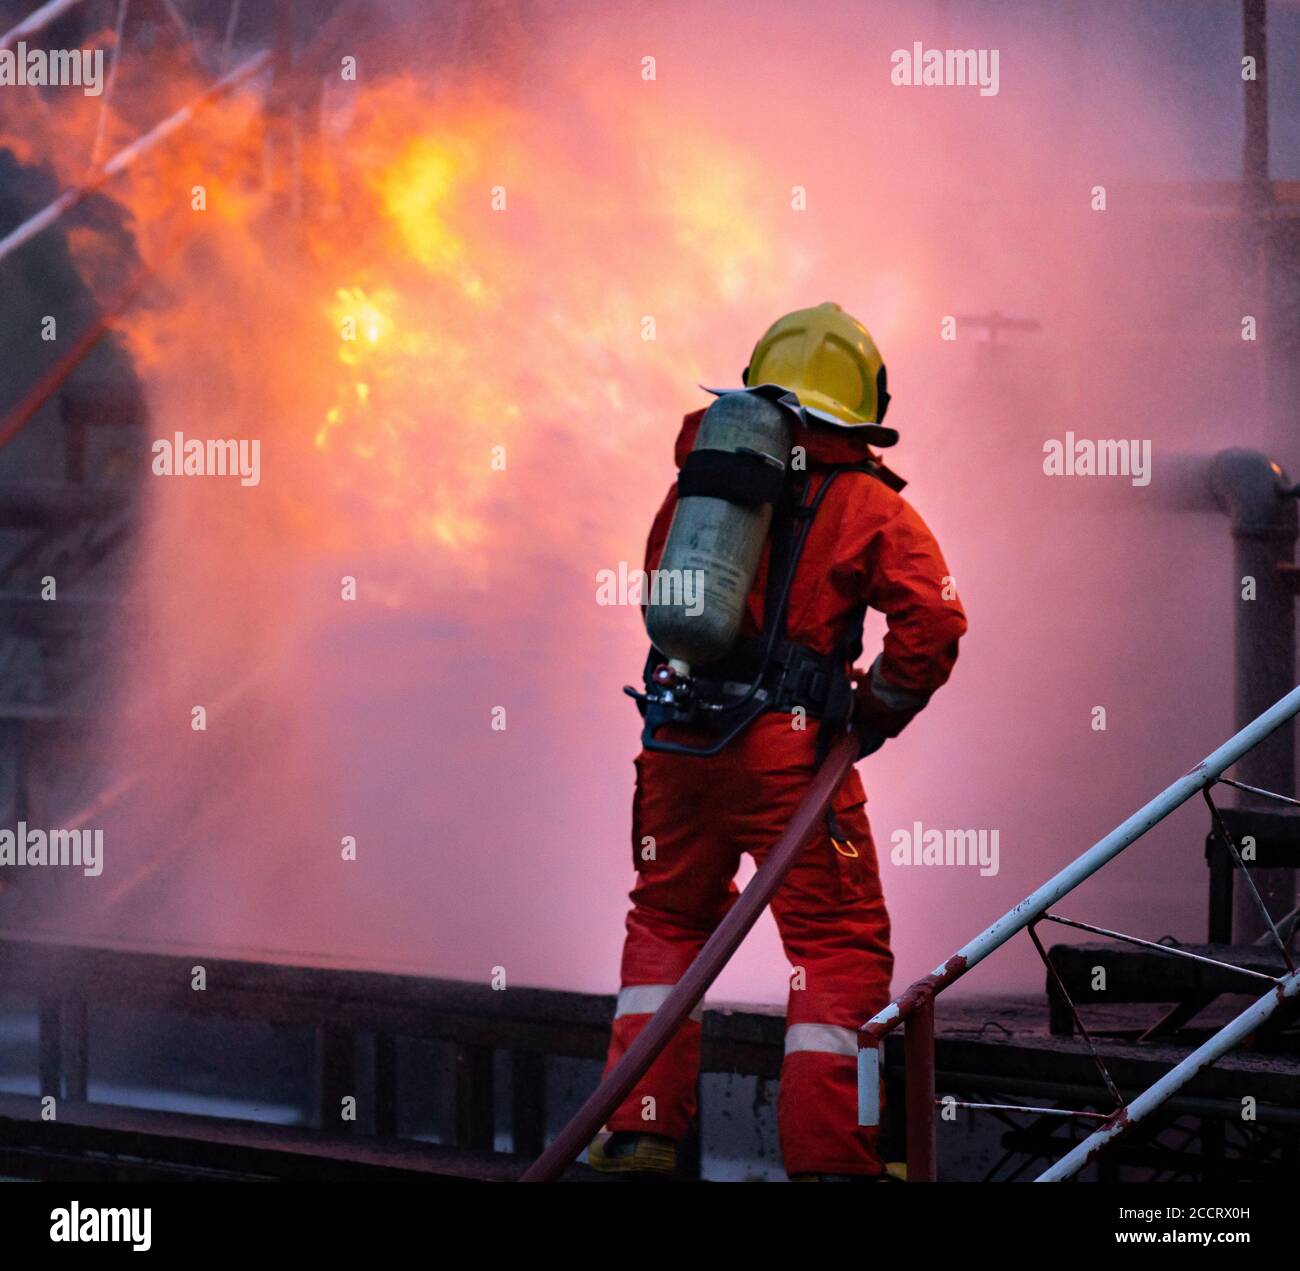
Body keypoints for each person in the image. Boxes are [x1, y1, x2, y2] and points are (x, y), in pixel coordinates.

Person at [590, 303, 967, 1180]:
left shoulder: (702, 486)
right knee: (837, 947)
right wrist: (875, 709)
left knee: (668, 920)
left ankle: (639, 1133)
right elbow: (935, 618)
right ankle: (835, 1162)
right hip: (784, 758)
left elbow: (664, 593)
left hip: (675, 744)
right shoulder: (865, 501)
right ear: (859, 406)